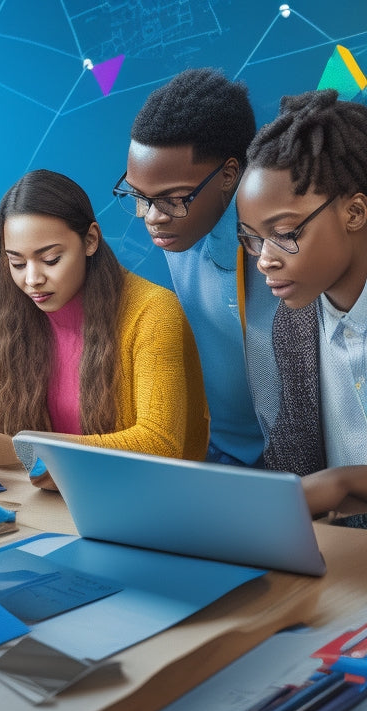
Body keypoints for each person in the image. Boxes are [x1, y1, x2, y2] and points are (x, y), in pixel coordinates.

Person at [0, 169, 209, 489]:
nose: (32, 279)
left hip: (145, 503)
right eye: (17, 263)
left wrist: (23, 450)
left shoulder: (155, 314)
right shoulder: (5, 312)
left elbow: (159, 444)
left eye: (50, 259)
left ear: (90, 240)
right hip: (46, 500)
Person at [112, 67, 276, 468]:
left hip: (304, 468)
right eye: (138, 196)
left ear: (229, 175)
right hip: (217, 457)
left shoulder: (279, 246)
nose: (151, 217)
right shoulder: (178, 231)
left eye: (172, 199)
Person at [236, 89, 367, 518]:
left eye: (286, 232)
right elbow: (291, 462)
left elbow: (329, 488)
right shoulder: (293, 327)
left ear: (354, 213)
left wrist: (346, 481)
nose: (265, 259)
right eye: (253, 239)